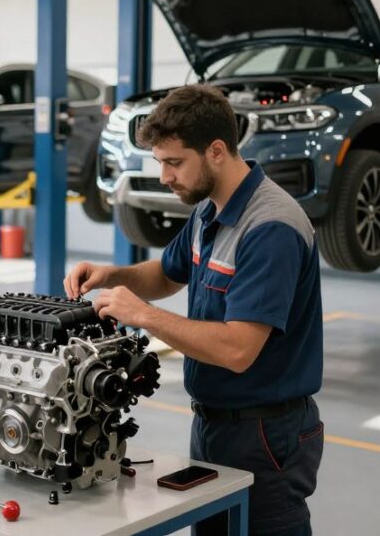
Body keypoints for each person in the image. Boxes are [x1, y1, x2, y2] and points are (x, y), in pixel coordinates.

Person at [65, 85, 324, 536]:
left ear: (217, 151)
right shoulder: (210, 210)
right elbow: (166, 274)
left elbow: (238, 349)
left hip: (265, 435)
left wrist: (143, 315)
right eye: (160, 162)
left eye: (174, 162)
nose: (165, 176)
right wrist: (112, 276)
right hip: (213, 423)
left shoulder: (270, 227)